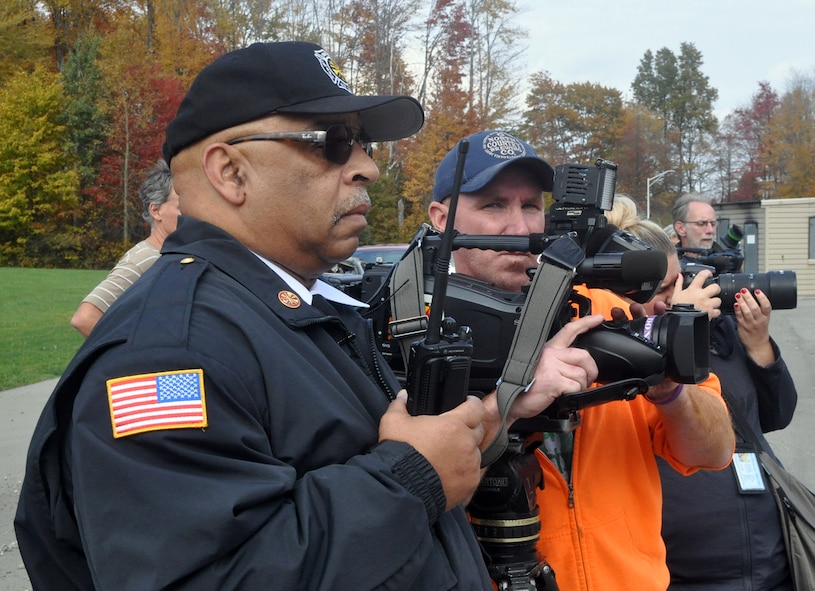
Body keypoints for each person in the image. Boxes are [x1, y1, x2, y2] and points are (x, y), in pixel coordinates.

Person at [15, 42, 601, 591]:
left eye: (365, 144)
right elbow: (200, 577)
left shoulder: (293, 309)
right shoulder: (172, 349)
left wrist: (502, 410)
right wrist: (409, 479)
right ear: (230, 173)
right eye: (333, 142)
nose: (368, 166)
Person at [427, 131, 735, 590]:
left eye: (531, 206)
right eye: (494, 206)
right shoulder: (414, 330)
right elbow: (409, 492)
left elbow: (714, 451)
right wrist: (512, 398)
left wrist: (668, 389)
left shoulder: (611, 309)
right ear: (442, 219)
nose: (520, 228)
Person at [611, 194, 798, 590]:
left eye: (680, 281)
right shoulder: (613, 354)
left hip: (765, 551)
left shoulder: (718, 328)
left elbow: (775, 417)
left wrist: (759, 344)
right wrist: (675, 330)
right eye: (664, 288)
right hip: (683, 565)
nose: (678, 295)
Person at [70, 159, 180, 337]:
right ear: (156, 211)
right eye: (181, 206)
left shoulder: (171, 255)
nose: (190, 213)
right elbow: (85, 318)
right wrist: (136, 356)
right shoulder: (144, 259)